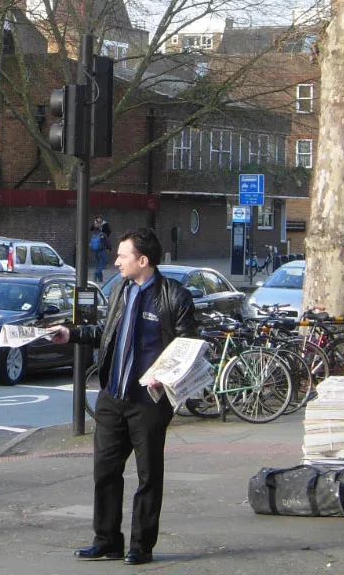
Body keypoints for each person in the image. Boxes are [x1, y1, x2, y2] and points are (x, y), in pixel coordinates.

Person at [49, 228, 196, 566]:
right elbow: (107, 331)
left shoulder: (174, 296)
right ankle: (107, 540)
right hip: (113, 396)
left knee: (148, 476)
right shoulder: (120, 289)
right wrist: (70, 334)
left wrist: (167, 374)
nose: (116, 262)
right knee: (105, 471)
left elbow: (189, 347)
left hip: (149, 402)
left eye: (123, 256)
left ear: (143, 261)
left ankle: (141, 545)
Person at [90, 217, 111, 283]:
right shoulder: (102, 234)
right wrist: (110, 248)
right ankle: (96, 273)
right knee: (102, 265)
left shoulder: (94, 235)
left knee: (98, 265)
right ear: (100, 228)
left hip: (95, 252)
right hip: (102, 252)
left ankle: (100, 279)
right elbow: (106, 242)